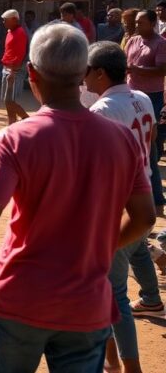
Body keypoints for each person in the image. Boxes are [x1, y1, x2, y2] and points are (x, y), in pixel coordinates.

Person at [0, 24, 155, 373]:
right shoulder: (121, 140)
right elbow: (144, 217)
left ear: (31, 72)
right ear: (82, 74)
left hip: (20, 298)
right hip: (87, 304)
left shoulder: (14, 139)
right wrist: (103, 247)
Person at [84, 41, 158, 372]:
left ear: (99, 73)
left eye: (86, 70)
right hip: (142, 196)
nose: (82, 77)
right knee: (133, 258)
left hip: (118, 207)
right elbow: (152, 138)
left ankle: (128, 368)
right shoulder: (140, 97)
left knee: (113, 295)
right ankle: (112, 362)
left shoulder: (102, 110)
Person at [125, 9, 166, 215]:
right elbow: (126, 64)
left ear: (152, 23)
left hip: (152, 98)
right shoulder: (133, 40)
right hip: (131, 96)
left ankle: (157, 199)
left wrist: (137, 70)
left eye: (141, 23)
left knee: (149, 147)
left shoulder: (160, 43)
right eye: (137, 22)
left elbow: (162, 70)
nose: (137, 25)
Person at [0, 10, 29, 132]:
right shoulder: (10, 32)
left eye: (5, 20)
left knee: (9, 100)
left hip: (14, 70)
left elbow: (19, 54)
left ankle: (26, 119)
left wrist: (12, 71)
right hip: (6, 68)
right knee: (7, 101)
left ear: (14, 20)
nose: (3, 22)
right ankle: (11, 127)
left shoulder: (20, 33)